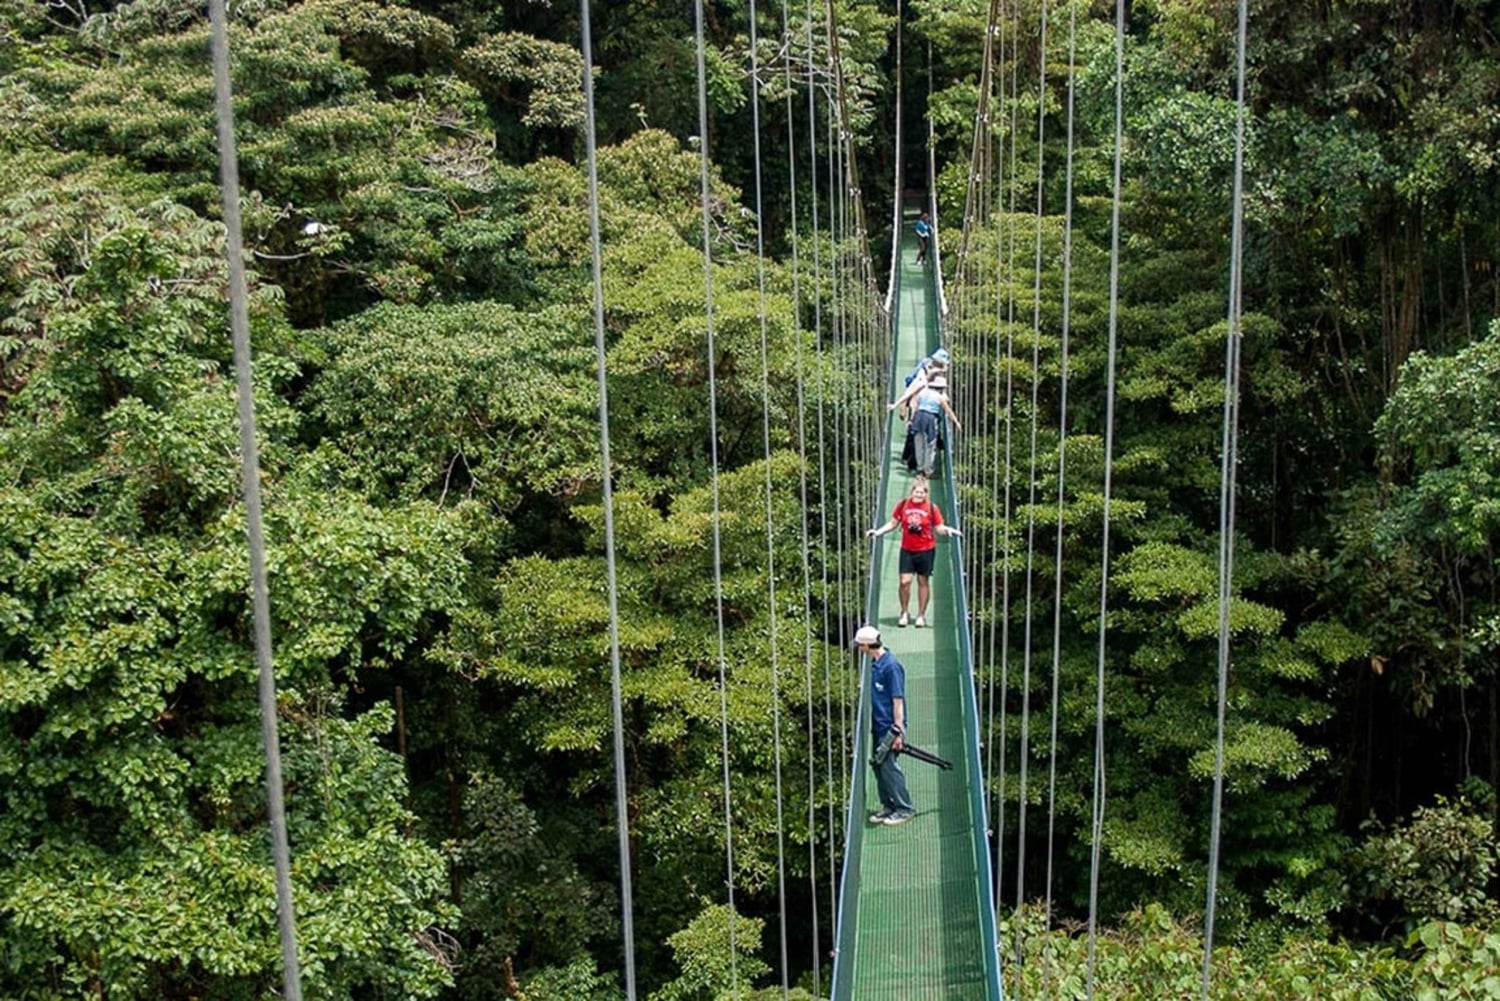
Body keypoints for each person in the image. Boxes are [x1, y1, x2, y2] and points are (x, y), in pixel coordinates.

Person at [866, 475, 962, 628]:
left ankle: (921, 615)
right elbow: (893, 523)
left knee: (923, 581)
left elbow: (939, 527)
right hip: (907, 549)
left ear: (926, 494)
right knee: (904, 582)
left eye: (922, 493)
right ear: (912, 492)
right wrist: (877, 532)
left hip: (926, 550)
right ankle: (904, 612)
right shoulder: (903, 505)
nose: (919, 495)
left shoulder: (932, 508)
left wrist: (948, 530)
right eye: (917, 492)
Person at [853, 624, 914, 826]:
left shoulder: (891, 667)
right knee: (879, 766)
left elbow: (898, 700)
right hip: (878, 725)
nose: (859, 648)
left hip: (889, 727)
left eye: (860, 645)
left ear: (867, 645)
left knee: (889, 768)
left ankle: (904, 808)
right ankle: (888, 806)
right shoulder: (875, 664)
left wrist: (898, 730)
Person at [904, 373, 961, 477]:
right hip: (930, 418)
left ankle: (919, 468)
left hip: (918, 417)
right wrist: (956, 422)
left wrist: (911, 419)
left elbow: (916, 406)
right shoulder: (939, 397)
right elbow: (948, 410)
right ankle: (928, 470)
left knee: (919, 442)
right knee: (930, 445)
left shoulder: (922, 393)